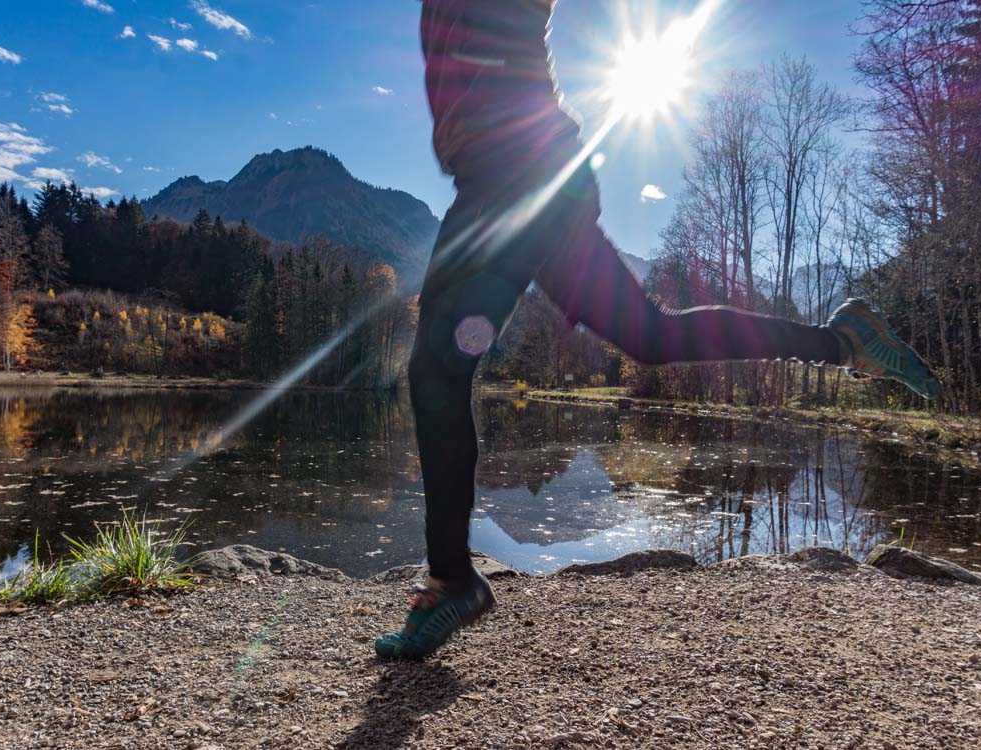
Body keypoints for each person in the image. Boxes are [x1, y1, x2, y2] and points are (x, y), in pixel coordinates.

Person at [374, 0, 940, 659]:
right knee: (650, 335)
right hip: (532, 174)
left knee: (437, 371)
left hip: (515, 173)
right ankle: (844, 340)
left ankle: (452, 581)